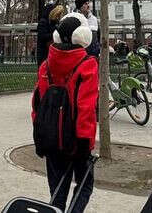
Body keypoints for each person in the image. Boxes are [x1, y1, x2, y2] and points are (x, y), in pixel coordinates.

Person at [32, 13, 98, 213]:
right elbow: (85, 107)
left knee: (57, 191)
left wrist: (40, 133)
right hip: (76, 139)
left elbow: (37, 103)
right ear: (82, 36)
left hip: (51, 138)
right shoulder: (87, 64)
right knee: (84, 185)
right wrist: (86, 143)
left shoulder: (46, 65)